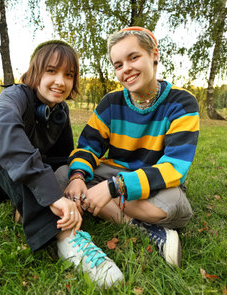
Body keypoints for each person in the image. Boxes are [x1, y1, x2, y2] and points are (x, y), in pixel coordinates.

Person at [0, 40, 124, 288]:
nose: (60, 81)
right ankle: (67, 239)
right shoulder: (14, 95)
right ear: (35, 72)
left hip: (16, 180)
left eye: (69, 75)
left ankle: (28, 205)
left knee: (62, 170)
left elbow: (60, 159)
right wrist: (52, 197)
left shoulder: (60, 111)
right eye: (51, 71)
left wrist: (71, 185)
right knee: (7, 147)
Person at [59, 27, 200, 268]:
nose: (126, 69)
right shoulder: (110, 102)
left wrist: (114, 188)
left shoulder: (182, 102)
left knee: (174, 206)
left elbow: (175, 167)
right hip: (113, 173)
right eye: (118, 64)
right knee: (63, 176)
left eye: (133, 57)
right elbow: (88, 146)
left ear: (154, 55)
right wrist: (79, 175)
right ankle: (144, 228)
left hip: (155, 184)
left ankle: (104, 205)